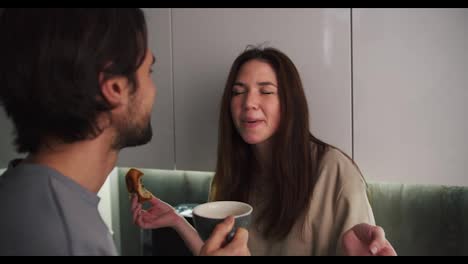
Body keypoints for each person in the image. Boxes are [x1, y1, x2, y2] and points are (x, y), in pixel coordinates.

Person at [0, 8, 249, 256]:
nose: (153, 90)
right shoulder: (71, 240)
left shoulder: (18, 193)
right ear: (115, 88)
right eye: (148, 72)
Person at [132, 46, 397, 256]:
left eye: (266, 91)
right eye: (238, 92)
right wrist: (177, 221)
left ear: (289, 104)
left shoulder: (334, 172)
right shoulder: (229, 176)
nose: (249, 103)